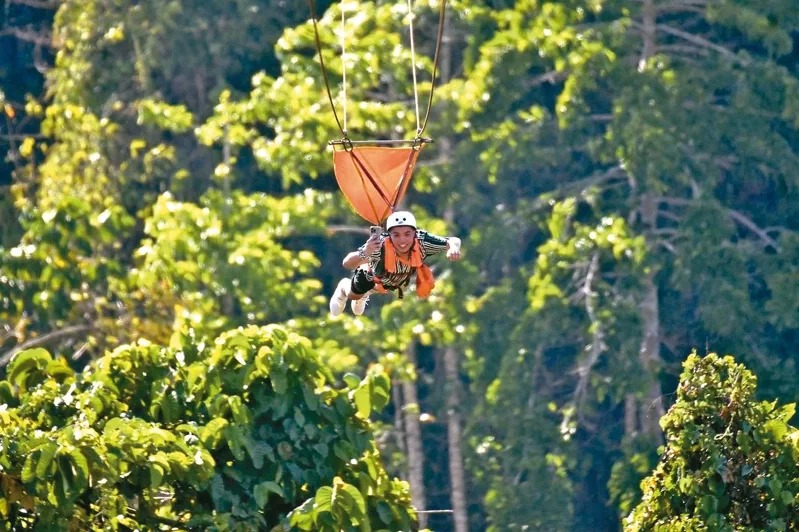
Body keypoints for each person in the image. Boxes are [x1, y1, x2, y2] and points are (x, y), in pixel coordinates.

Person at [329, 211, 462, 316]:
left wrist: (453, 248)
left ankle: (364, 295)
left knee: (370, 293)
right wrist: (366, 251)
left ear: (415, 233)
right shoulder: (379, 245)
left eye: (407, 234)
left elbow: (453, 240)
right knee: (354, 294)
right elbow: (347, 263)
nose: (402, 240)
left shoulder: (422, 241)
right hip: (372, 278)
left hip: (391, 283)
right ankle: (344, 288)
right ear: (389, 235)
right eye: (396, 235)